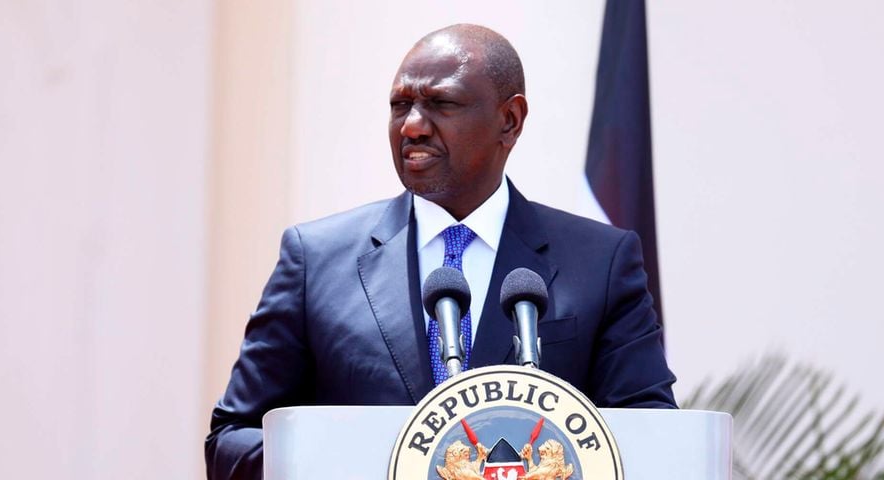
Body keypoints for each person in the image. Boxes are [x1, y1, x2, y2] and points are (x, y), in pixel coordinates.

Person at [205, 24, 677, 479]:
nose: (412, 126)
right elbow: (231, 438)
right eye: (400, 105)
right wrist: (356, 461)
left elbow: (653, 440)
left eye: (441, 103)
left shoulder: (601, 262)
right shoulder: (315, 259)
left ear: (509, 120)